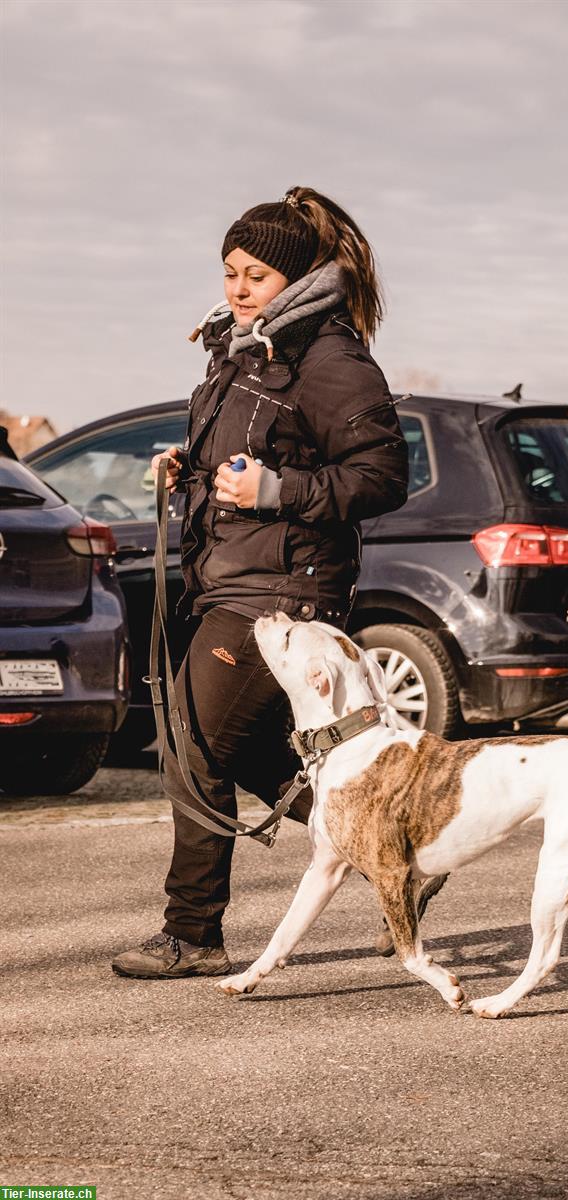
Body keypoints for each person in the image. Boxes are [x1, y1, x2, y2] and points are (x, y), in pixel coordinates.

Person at [112, 187, 408, 979]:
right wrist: (193, 473)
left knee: (192, 742)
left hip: (283, 590)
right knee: (228, 750)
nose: (239, 288)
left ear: (299, 278)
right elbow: (246, 454)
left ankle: (193, 933)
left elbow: (381, 477)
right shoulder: (242, 349)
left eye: (257, 276)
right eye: (231, 270)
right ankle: (396, 850)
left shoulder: (330, 359)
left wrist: (277, 493)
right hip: (230, 574)